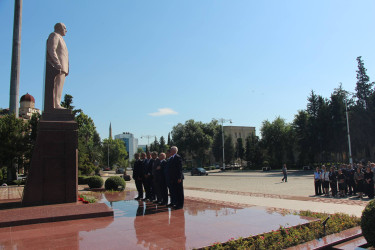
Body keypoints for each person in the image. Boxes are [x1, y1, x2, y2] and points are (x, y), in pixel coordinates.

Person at [45, 23, 69, 111]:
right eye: (65, 28)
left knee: (59, 87)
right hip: (57, 67)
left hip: (62, 68)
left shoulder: (61, 38)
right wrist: (57, 62)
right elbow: (51, 49)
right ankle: (55, 104)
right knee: (56, 86)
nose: (66, 30)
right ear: (59, 28)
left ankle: (57, 103)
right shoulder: (54, 35)